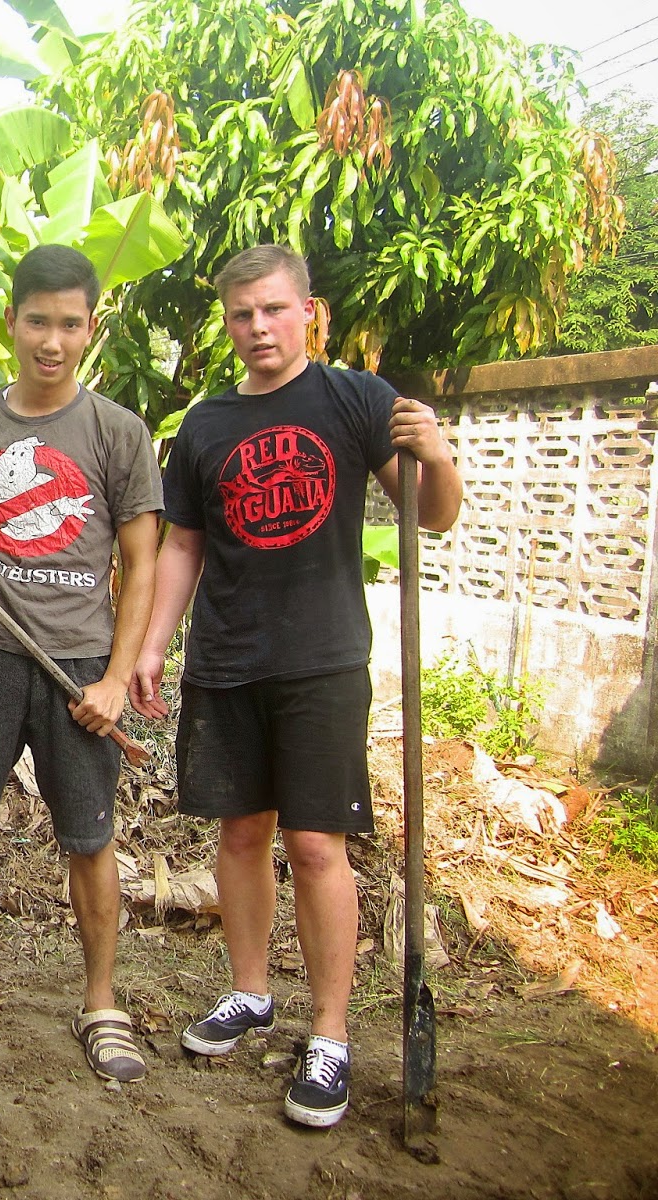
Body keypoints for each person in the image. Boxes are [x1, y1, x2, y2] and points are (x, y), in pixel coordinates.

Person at [129, 244, 463, 1128]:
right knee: (240, 835)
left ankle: (330, 1034)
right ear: (228, 323)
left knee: (316, 847)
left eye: (274, 309)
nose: (259, 328)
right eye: (242, 314)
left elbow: (432, 515)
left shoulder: (357, 400)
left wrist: (438, 456)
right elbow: (184, 544)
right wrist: (155, 644)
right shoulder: (206, 425)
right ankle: (249, 993)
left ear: (308, 312)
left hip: (323, 663)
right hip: (226, 660)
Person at [0, 243, 162, 1086]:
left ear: (89, 327)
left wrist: (114, 679)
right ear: (11, 322)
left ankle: (101, 1001)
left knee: (89, 837)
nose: (51, 341)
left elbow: (142, 564)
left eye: (68, 324)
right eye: (36, 322)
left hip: (79, 664)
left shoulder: (118, 434)